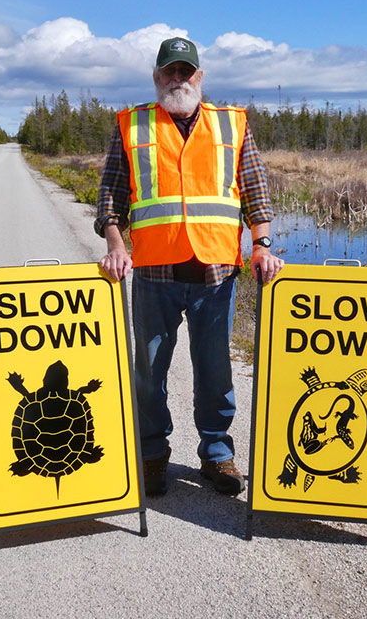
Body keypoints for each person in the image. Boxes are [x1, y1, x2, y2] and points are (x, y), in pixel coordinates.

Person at [95, 36, 283, 497]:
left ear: (199, 76)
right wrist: (117, 246)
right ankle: (152, 452)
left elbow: (254, 190)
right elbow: (111, 197)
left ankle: (217, 453)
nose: (177, 79)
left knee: (216, 368)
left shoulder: (231, 125)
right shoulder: (132, 125)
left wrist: (262, 246)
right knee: (149, 370)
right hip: (155, 272)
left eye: (186, 71)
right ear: (156, 77)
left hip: (216, 273)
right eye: (169, 72)